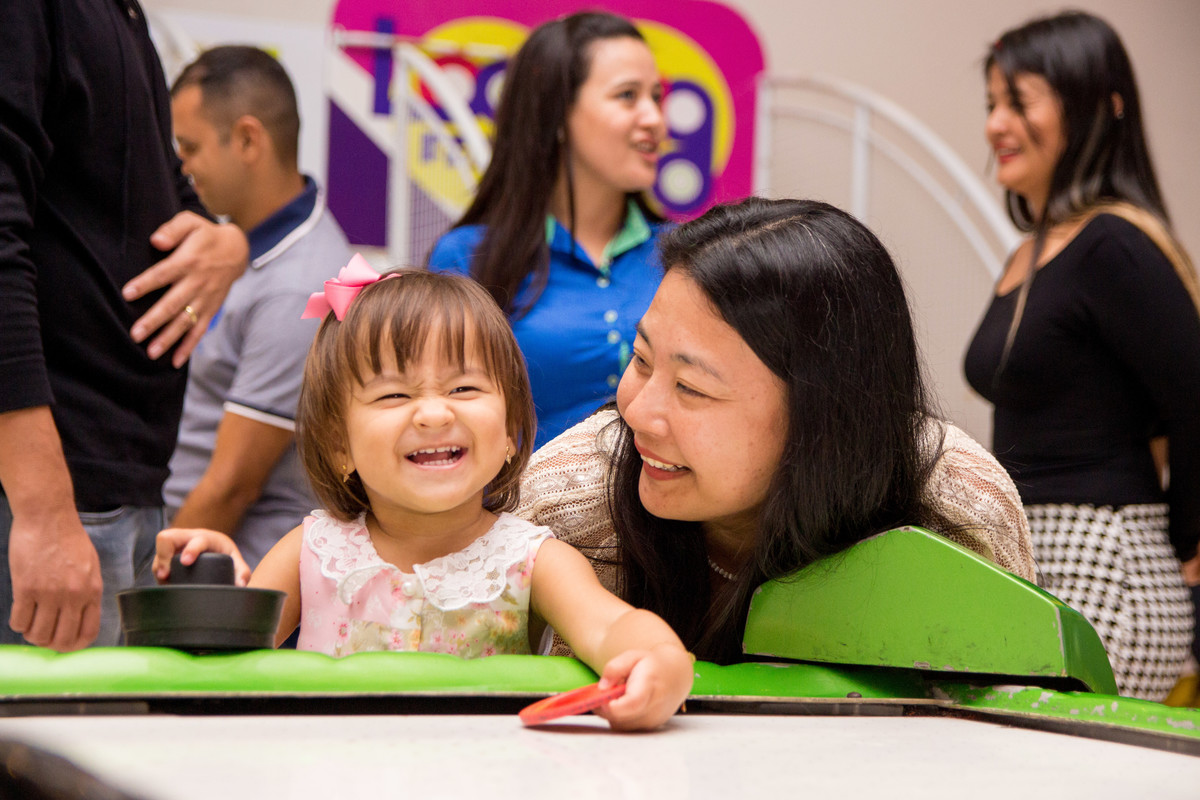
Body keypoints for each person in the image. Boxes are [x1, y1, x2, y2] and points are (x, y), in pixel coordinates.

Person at [156, 260, 693, 731]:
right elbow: (221, 667)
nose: (434, 413)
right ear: (338, 444)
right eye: (394, 394)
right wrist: (208, 581)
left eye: (464, 389)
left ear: (509, 432)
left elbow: (613, 626)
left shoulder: (533, 560)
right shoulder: (311, 550)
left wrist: (660, 661)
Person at [514, 197, 1037, 665]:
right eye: (642, 359)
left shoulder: (958, 511)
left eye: (692, 388)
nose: (637, 412)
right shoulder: (570, 501)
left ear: (824, 416)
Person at [963, 11, 1199, 700]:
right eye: (990, 105)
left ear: (1098, 108)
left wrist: (1189, 548)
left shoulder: (1113, 245)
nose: (995, 126)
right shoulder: (1033, 254)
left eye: (1019, 101)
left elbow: (1193, 401)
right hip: (1039, 553)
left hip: (1107, 557)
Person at [0, 0, 249, 651]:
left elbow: (154, 186)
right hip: (49, 488)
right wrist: (43, 510)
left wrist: (227, 245)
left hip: (120, 483)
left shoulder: (124, 17)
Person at [428, 11, 668, 448]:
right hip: (515, 511)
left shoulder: (683, 254)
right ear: (555, 116)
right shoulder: (467, 257)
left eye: (657, 96)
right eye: (628, 96)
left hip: (658, 515)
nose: (654, 119)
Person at [162, 46, 353, 568]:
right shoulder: (242, 249)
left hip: (236, 575)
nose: (181, 166)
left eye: (190, 147)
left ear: (248, 139)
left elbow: (232, 487)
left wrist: (151, 587)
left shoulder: (302, 286)